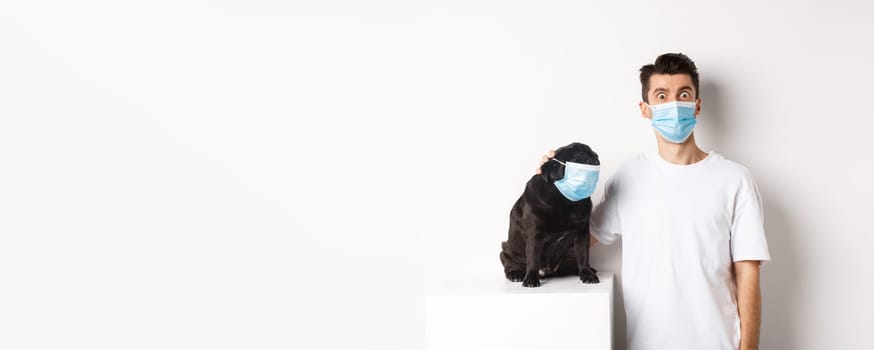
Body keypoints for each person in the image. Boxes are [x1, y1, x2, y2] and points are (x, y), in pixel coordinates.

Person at [537, 53, 771, 350]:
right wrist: (553, 191)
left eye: (683, 94)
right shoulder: (629, 176)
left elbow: (748, 272)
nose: (673, 104)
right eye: (661, 95)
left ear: (697, 104)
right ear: (645, 109)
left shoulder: (735, 179)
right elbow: (573, 248)